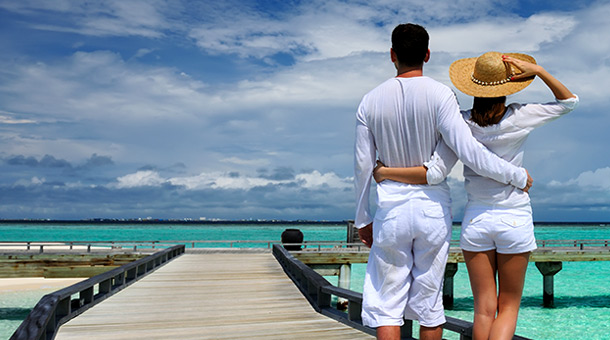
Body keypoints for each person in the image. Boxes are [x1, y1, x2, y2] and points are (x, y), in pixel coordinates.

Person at [372, 51, 578, 340]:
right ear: (507, 88)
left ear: (474, 88)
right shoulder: (521, 116)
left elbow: (435, 169)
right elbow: (569, 102)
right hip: (514, 217)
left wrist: (386, 170)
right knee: (508, 307)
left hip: (476, 221)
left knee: (483, 309)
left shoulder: (462, 123)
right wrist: (538, 70)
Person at [354, 24, 533, 340]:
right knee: (429, 303)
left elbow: (362, 165)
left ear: (392, 55)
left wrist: (362, 219)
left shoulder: (369, 101)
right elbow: (470, 152)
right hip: (432, 209)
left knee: (386, 303)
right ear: (427, 54)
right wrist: (516, 176)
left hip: (391, 209)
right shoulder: (441, 95)